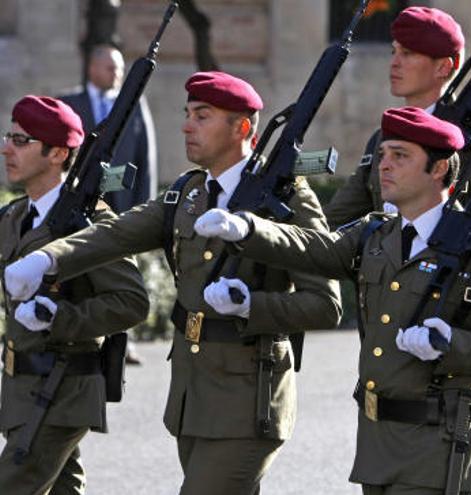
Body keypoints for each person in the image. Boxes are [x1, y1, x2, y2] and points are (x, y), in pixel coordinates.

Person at [4, 72, 342, 494]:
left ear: (241, 127)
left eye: (203, 115)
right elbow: (115, 234)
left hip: (248, 397)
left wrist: (248, 306)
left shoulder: (286, 198)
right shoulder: (189, 193)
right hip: (193, 394)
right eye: (187, 114)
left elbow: (326, 304)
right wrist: (46, 259)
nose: (186, 124)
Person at [191, 106, 471, 494]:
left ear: (439, 169)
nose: (384, 166)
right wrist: (249, 229)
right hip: (376, 444)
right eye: (384, 154)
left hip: (440, 443)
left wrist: (452, 345)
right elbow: (316, 248)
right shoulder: (377, 234)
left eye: (400, 156)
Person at [0, 95, 148, 494]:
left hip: (62, 388)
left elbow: (132, 302)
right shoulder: (14, 217)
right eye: (8, 136)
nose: (6, 148)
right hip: (20, 392)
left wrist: (58, 318)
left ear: (57, 153)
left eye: (20, 140)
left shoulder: (94, 224)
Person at [323, 6, 471, 241]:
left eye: (408, 53)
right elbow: (335, 221)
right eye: (394, 52)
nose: (394, 63)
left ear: (444, 67)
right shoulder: (384, 138)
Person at [59, 43, 157, 213]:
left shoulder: (135, 104)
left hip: (122, 202)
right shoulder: (69, 104)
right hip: (78, 200)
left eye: (120, 69)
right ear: (92, 68)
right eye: (111, 68)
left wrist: (145, 208)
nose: (117, 74)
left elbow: (145, 157)